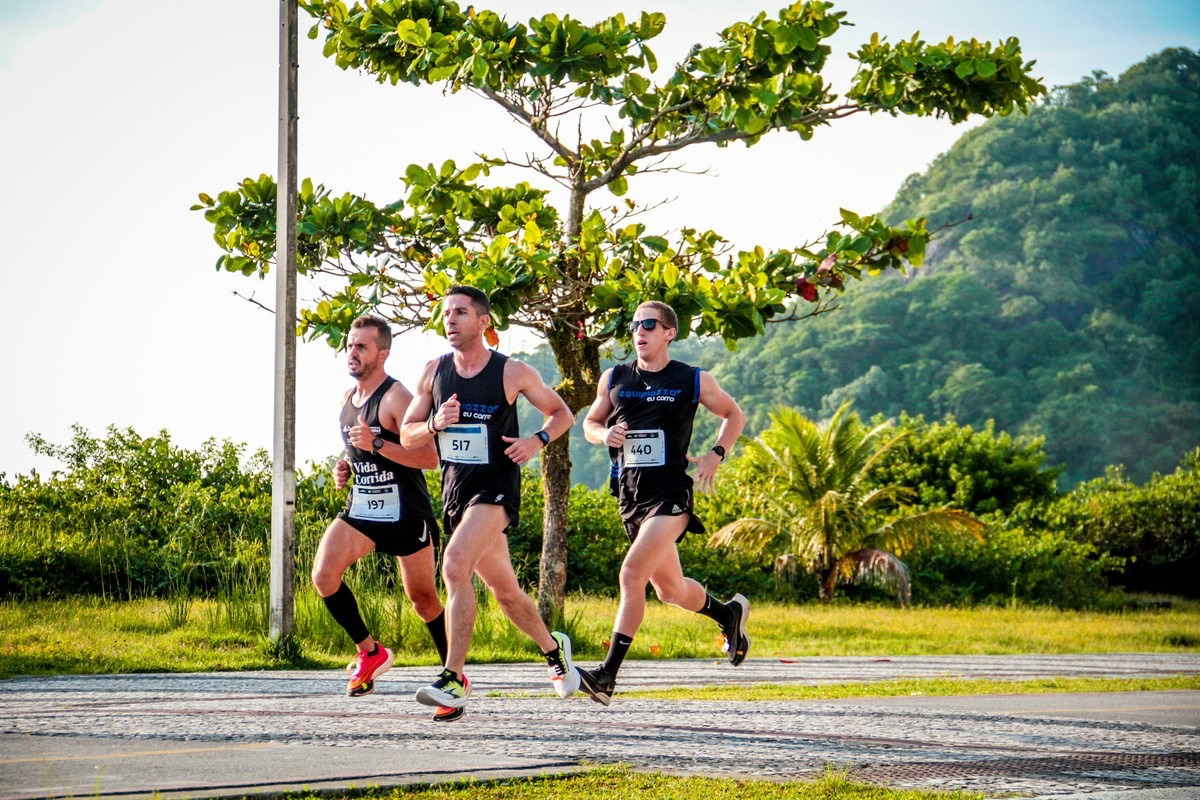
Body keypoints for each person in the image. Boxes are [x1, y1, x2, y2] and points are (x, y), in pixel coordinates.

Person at [401, 285, 581, 716]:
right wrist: (433, 423)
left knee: (454, 565)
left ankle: (454, 678)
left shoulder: (511, 371)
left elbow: (562, 414)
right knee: (507, 593)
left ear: (483, 322)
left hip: (496, 489)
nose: (450, 320)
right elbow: (407, 435)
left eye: (460, 313)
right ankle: (554, 649)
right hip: (457, 493)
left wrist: (535, 441)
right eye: (446, 313)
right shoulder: (433, 372)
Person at [577, 301, 749, 705]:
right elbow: (589, 424)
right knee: (669, 590)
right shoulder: (615, 377)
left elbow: (734, 414)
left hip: (671, 495)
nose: (639, 331)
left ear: (670, 332)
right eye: (635, 325)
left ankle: (607, 676)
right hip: (631, 496)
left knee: (631, 572)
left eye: (649, 325)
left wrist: (715, 454)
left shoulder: (691, 379)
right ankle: (727, 615)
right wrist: (604, 436)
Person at [310, 315, 450, 709]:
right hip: (364, 506)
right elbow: (357, 446)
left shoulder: (396, 398)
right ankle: (369, 652)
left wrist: (378, 447)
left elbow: (431, 456)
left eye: (362, 347)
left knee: (423, 598)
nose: (352, 352)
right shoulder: (346, 399)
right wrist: (346, 464)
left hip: (406, 510)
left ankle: (452, 676)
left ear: (382, 353)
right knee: (323, 575)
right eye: (350, 345)